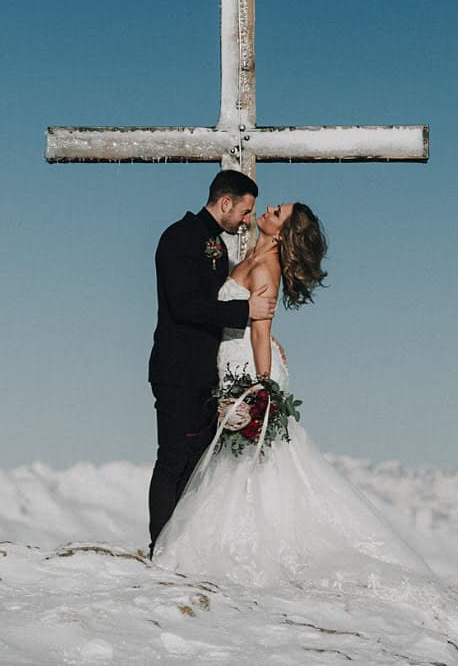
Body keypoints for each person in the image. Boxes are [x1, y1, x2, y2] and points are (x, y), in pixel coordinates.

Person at [152, 198, 441, 607]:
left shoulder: (266, 266)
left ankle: (247, 550)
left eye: (277, 212)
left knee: (250, 464)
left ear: (284, 232)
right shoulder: (252, 249)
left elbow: (258, 330)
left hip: (246, 365)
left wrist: (261, 386)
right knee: (230, 464)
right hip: (230, 358)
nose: (268, 210)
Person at [147, 168, 275, 554]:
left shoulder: (214, 242)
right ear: (225, 203)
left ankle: (180, 545)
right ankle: (161, 547)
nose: (246, 220)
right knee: (172, 459)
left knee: (196, 464)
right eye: (245, 211)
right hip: (176, 369)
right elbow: (186, 306)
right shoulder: (179, 239)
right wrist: (245, 310)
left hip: (205, 373)